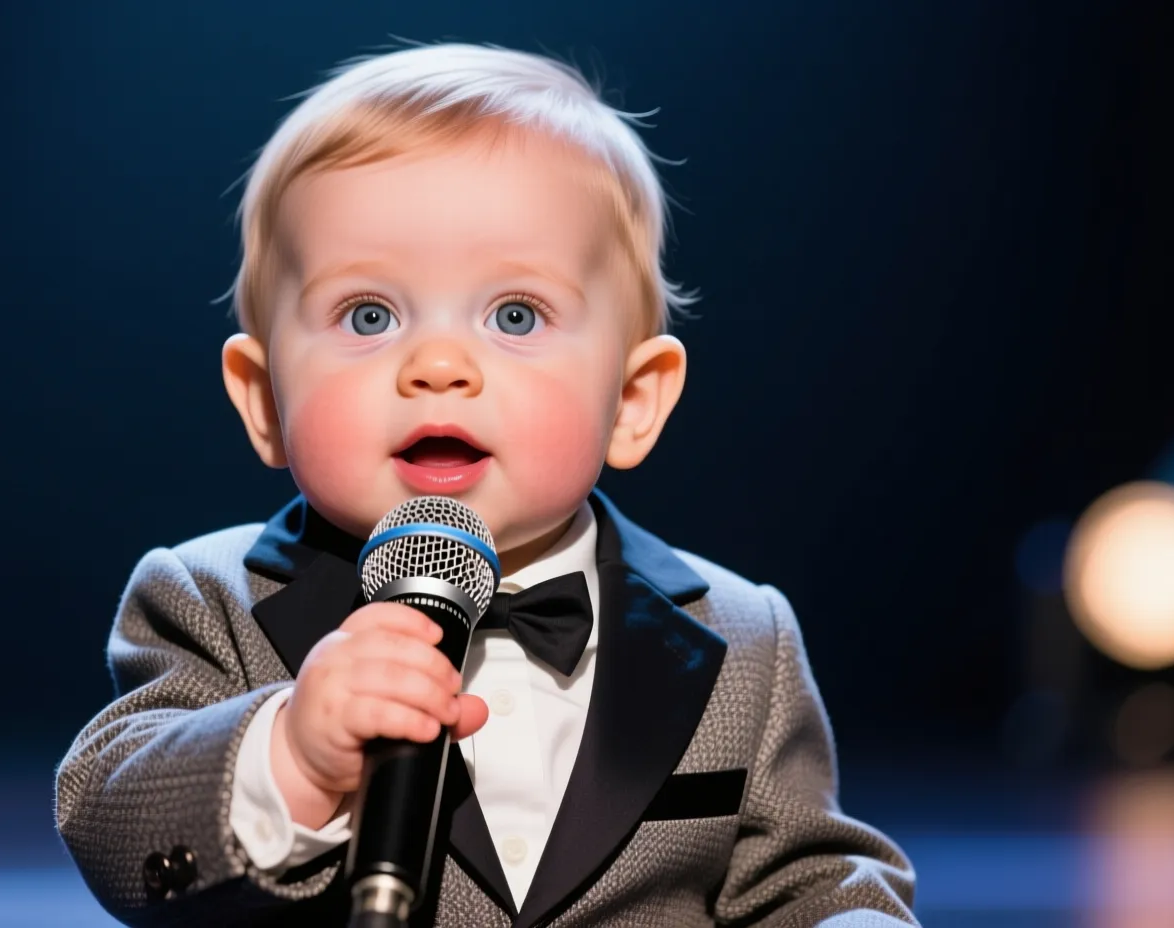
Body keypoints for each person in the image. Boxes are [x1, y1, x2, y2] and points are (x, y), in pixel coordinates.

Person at [55, 41, 918, 927]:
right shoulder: (207, 600)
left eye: (515, 315)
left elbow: (810, 880)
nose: (437, 364)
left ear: (631, 400)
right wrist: (292, 757)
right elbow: (117, 830)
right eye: (368, 315)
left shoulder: (741, 636)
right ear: (264, 398)